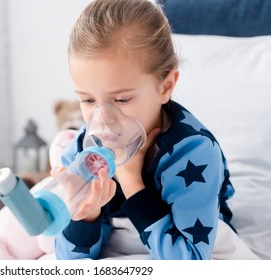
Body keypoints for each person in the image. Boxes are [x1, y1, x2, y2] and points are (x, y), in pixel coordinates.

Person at [53, 0, 258, 260]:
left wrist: (131, 181)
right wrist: (86, 215)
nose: (103, 120)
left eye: (122, 100)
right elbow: (68, 263)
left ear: (165, 87)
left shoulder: (193, 153)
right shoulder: (86, 148)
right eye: (88, 100)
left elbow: (188, 261)